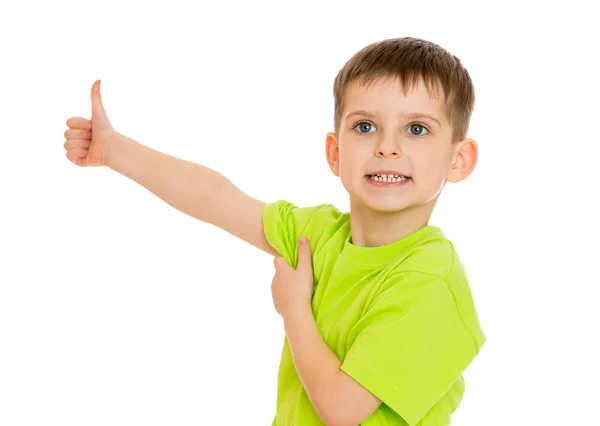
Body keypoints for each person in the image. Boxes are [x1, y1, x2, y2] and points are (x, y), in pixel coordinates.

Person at [63, 36, 486, 425]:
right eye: (365, 126)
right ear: (335, 153)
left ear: (459, 160)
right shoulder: (317, 235)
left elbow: (342, 410)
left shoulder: (428, 280)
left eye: (417, 129)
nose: (387, 146)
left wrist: (294, 309)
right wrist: (114, 150)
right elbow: (214, 197)